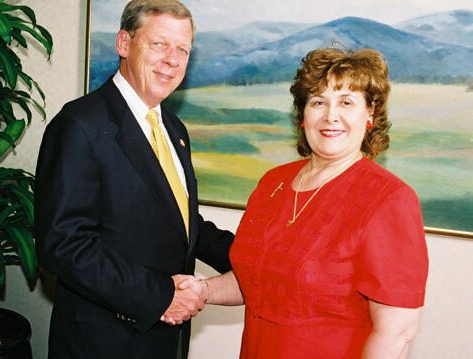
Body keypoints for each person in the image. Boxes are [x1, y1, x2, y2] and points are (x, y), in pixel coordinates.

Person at [176, 47, 429, 358]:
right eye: (318, 101)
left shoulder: (389, 199)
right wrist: (203, 289)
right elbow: (259, 280)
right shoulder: (274, 183)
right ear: (302, 114)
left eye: (346, 102)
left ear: (370, 114)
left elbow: (397, 332)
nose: (330, 115)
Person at [34, 1, 233, 358]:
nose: (172, 60)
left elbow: (182, 224)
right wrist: (159, 297)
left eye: (182, 49)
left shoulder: (174, 128)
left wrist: (256, 256)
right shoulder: (80, 125)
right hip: (105, 342)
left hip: (164, 340)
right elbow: (63, 245)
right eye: (159, 44)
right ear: (124, 44)